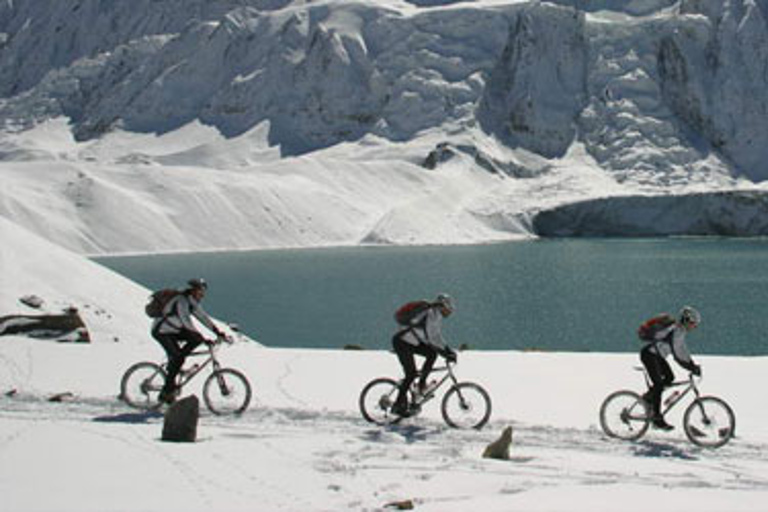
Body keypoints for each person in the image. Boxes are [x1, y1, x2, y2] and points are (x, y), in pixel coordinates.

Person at [151, 278, 224, 403]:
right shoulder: (182, 301)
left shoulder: (191, 301)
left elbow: (203, 317)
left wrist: (217, 331)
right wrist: (202, 338)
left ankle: (175, 365)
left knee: (191, 344)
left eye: (203, 292)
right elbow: (186, 322)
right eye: (200, 292)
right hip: (162, 331)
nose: (202, 295)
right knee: (179, 357)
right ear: (194, 290)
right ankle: (166, 392)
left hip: (173, 330)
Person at [391, 293, 457, 417]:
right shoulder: (431, 313)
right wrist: (446, 353)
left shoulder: (436, 316)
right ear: (443, 306)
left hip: (412, 343)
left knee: (432, 354)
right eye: (448, 309)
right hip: (402, 343)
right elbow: (432, 338)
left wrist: (448, 350)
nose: (449, 312)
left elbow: (436, 337)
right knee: (411, 374)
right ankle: (397, 405)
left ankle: (421, 385)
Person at [640, 306, 702, 430]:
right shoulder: (676, 330)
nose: (694, 327)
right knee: (658, 384)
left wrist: (692, 364)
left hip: (656, 356)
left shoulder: (679, 331)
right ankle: (657, 418)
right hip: (649, 355)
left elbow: (683, 351)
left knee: (669, 377)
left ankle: (648, 398)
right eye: (693, 324)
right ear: (687, 320)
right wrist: (691, 367)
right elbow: (678, 355)